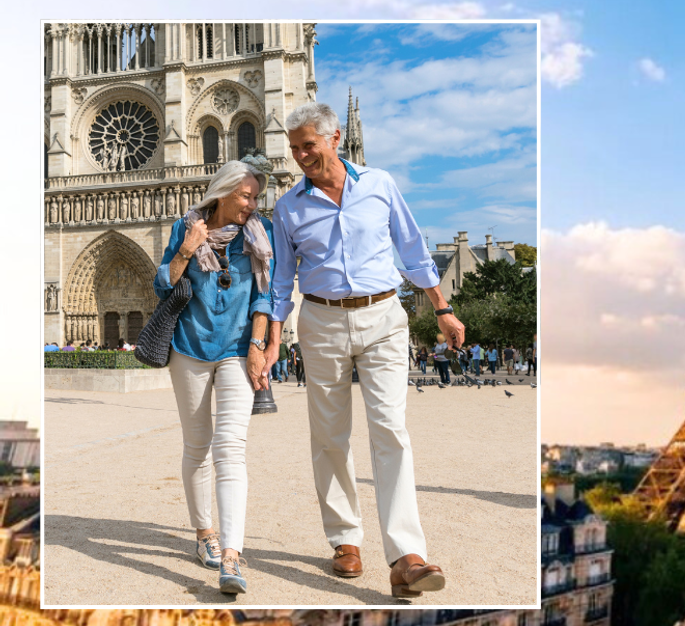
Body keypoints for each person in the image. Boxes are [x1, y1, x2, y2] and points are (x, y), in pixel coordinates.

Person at [267, 102, 464, 596]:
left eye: (307, 145)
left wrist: (442, 308)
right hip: (321, 319)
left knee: (391, 430)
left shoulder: (379, 184)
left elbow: (413, 248)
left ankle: (406, 554)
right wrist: (270, 340)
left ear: (335, 139)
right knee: (330, 436)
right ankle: (345, 540)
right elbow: (279, 281)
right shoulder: (288, 206)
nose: (300, 156)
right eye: (294, 149)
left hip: (382, 317)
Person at [153, 156, 275, 595]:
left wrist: (259, 346)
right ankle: (204, 533)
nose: (251, 204)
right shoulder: (186, 227)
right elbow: (162, 284)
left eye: (255, 197)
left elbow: (266, 296)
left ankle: (231, 555)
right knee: (197, 445)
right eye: (246, 196)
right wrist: (188, 248)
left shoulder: (258, 236)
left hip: (237, 350)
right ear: (222, 193)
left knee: (231, 448)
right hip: (188, 348)